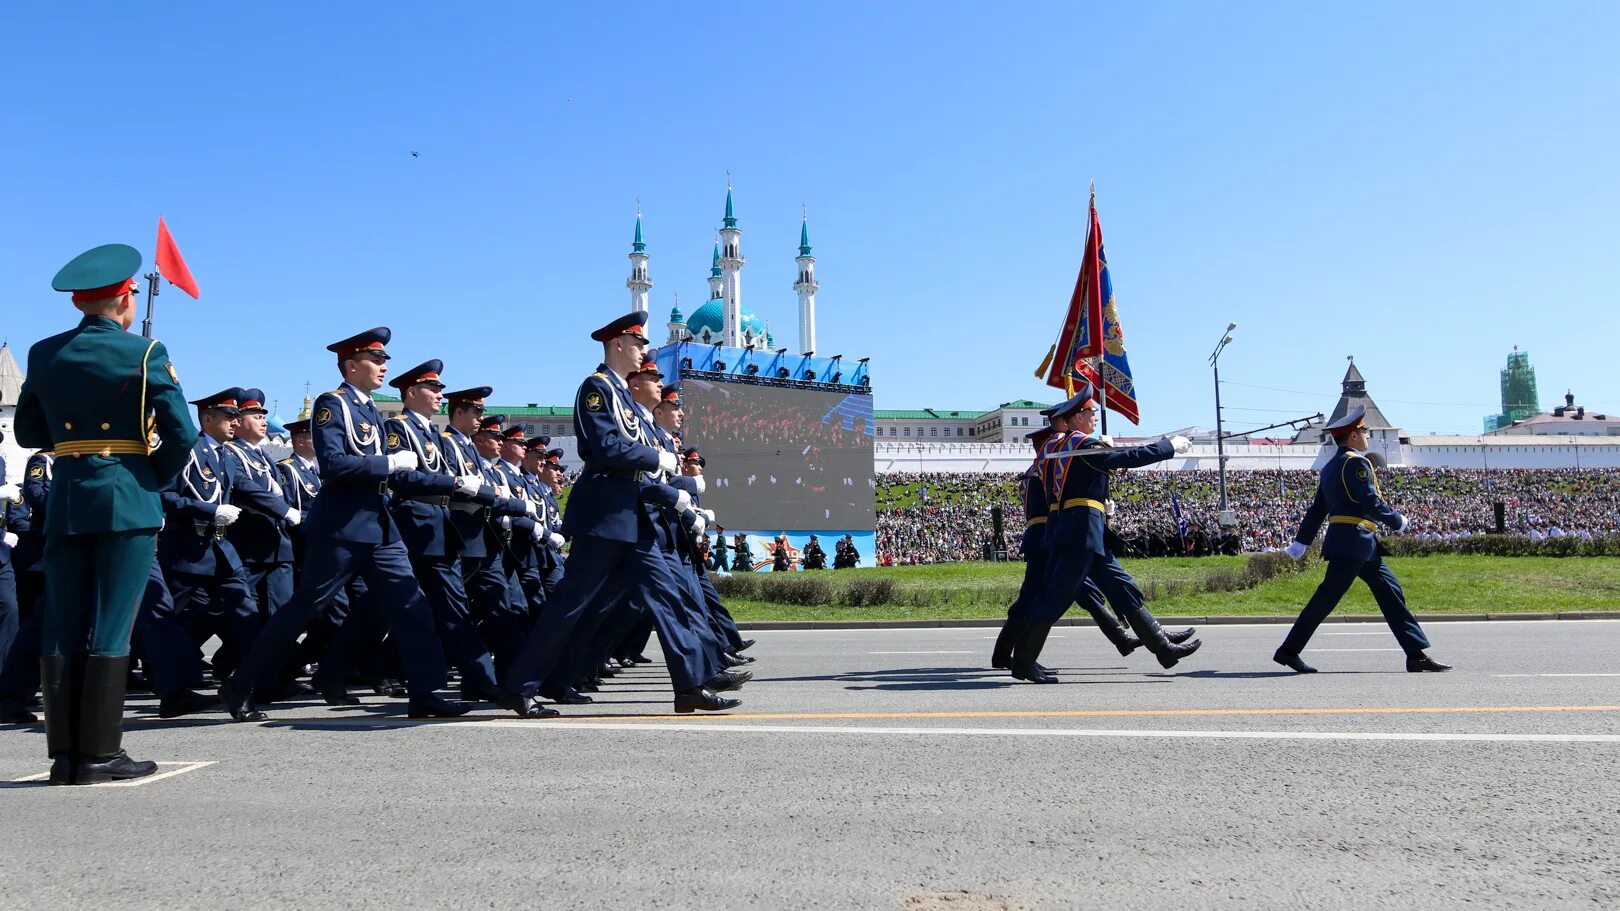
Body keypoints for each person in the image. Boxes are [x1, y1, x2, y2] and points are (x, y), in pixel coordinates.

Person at [13, 243, 197, 784]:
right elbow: (182, 433)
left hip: (67, 497)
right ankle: (100, 753)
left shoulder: (44, 353)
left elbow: (27, 433)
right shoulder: (144, 352)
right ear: (121, 299)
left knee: (61, 622)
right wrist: (149, 476)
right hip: (128, 497)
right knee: (113, 624)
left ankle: (65, 758)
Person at [220, 327, 470, 721]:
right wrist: (388, 463)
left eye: (385, 360)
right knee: (303, 609)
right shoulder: (331, 405)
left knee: (411, 606)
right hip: (343, 526)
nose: (383, 366)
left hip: (380, 526)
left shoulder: (371, 409)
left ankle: (426, 692)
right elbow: (334, 464)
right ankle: (241, 685)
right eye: (376, 360)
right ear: (351, 365)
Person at [497, 312, 739, 714]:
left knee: (669, 598)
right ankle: (520, 686)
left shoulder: (623, 397)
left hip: (633, 514)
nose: (646, 350)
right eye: (639, 344)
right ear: (618, 346)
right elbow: (606, 447)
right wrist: (656, 455)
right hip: (606, 513)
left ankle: (690, 686)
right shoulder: (596, 389)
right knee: (570, 607)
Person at [1010, 387, 1201, 682]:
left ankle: (1162, 648)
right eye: (1090, 413)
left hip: (1084, 532)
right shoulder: (1081, 446)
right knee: (1054, 600)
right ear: (1076, 418)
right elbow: (1131, 455)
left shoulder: (1062, 448)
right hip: (1081, 534)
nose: (1094, 417)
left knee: (1121, 586)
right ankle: (1023, 662)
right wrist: (1168, 446)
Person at [1274, 406, 1450, 674]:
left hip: (1360, 545)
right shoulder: (1356, 462)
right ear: (1352, 436)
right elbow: (1370, 501)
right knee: (1326, 598)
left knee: (1391, 592)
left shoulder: (1331, 467)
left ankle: (1415, 654)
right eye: (1362, 430)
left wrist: (1302, 542)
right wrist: (1397, 520)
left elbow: (1318, 509)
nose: (1366, 434)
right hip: (1354, 542)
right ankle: (1288, 651)